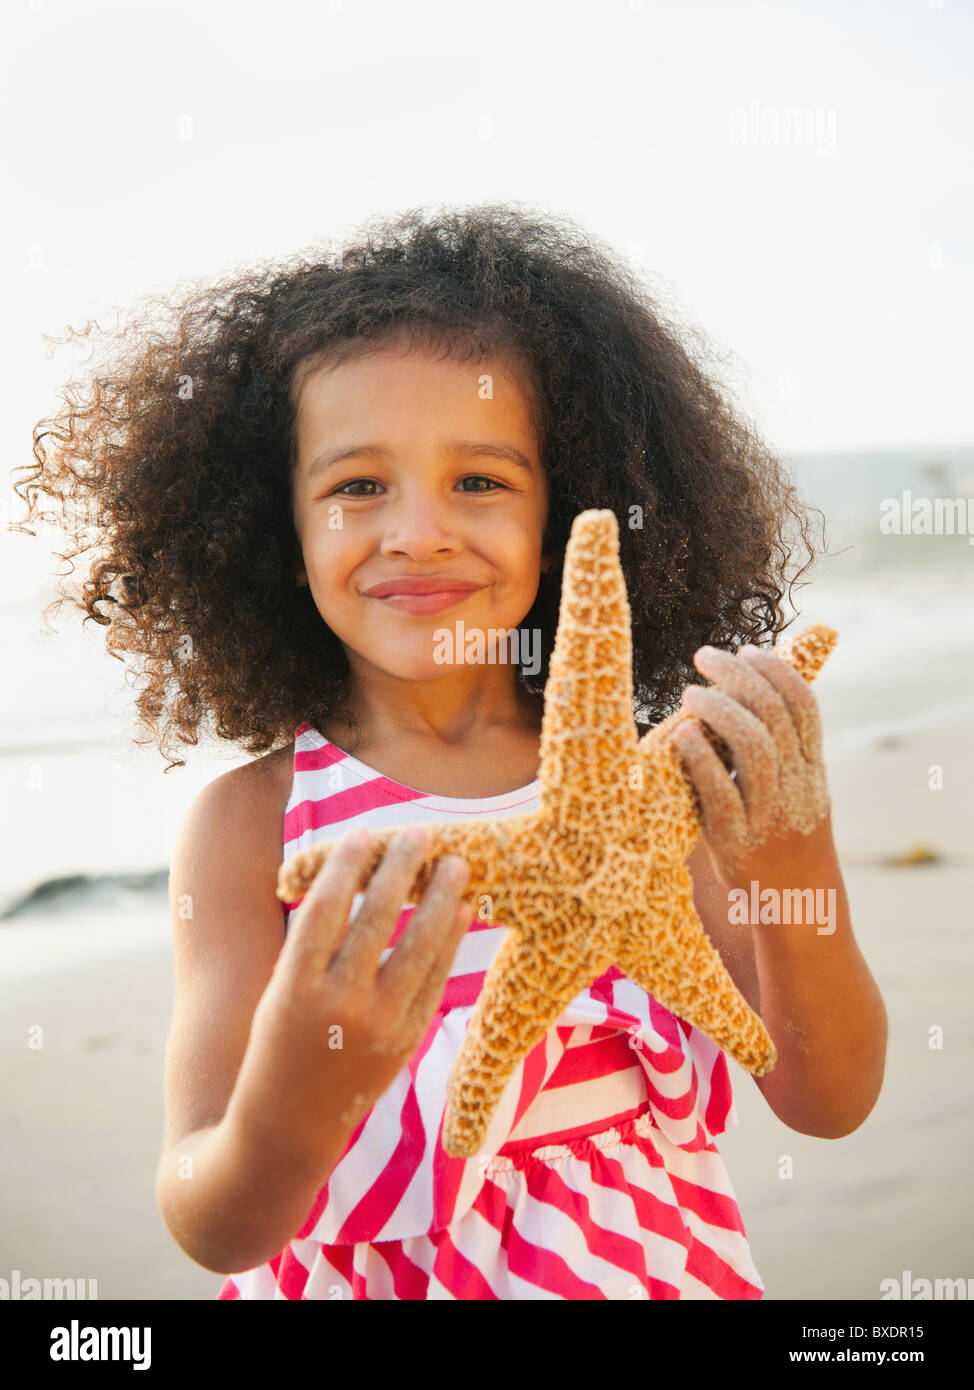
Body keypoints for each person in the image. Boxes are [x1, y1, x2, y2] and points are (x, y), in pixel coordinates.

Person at [16, 203, 887, 1299]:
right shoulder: (257, 826)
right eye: (354, 486)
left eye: (478, 480)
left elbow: (828, 1096)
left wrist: (794, 871)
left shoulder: (658, 792)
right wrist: (299, 1079)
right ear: (277, 536)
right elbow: (210, 1218)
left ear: (561, 514)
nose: (417, 530)